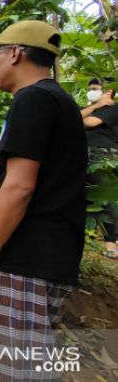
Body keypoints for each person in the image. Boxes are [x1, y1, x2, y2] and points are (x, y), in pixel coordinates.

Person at [0, 20, 87, 382]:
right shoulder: (56, 100)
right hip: (41, 257)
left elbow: (18, 187)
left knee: (10, 371)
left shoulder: (33, 98)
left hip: (27, 262)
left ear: (15, 53)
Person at [81, 78, 118, 258]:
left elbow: (89, 123)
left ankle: (112, 244)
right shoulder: (89, 109)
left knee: (106, 200)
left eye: (95, 89)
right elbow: (71, 119)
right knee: (87, 198)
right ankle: (88, 238)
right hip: (84, 156)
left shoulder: (112, 109)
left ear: (108, 91)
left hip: (104, 157)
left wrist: (96, 108)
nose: (91, 92)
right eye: (90, 89)